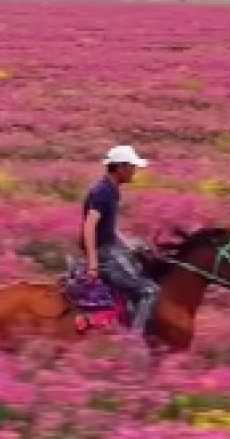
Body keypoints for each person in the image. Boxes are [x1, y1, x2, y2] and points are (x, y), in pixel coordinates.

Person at [77, 144, 160, 341]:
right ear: (120, 167)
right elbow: (89, 227)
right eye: (132, 167)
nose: (134, 171)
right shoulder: (103, 192)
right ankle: (134, 341)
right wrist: (94, 262)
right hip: (105, 254)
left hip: (110, 248)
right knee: (150, 291)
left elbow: (108, 228)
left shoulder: (111, 190)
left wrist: (129, 244)